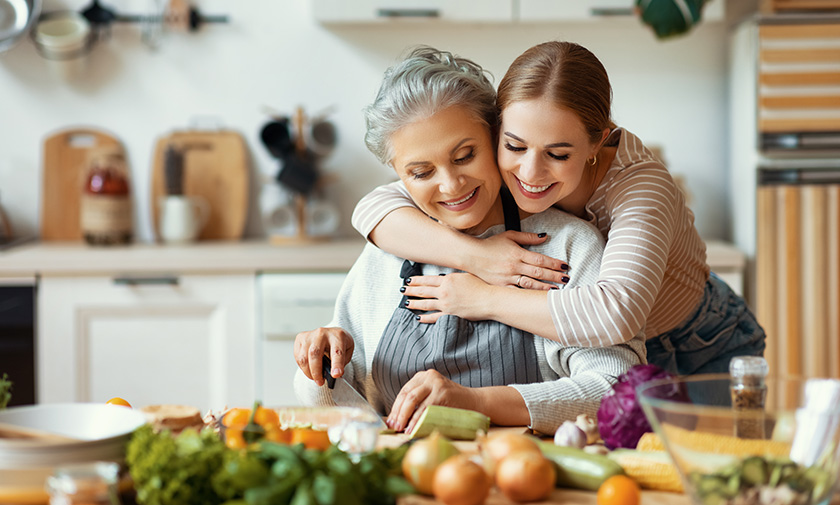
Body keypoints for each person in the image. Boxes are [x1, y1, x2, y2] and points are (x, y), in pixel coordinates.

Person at [350, 41, 765, 376]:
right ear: (497, 130)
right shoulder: (485, 167)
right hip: (602, 350)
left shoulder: (641, 187)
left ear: (597, 142)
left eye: (558, 154)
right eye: (513, 145)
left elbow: (614, 314)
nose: (529, 173)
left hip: (695, 343)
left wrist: (482, 298)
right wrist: (479, 257)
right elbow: (375, 207)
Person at [294, 46, 645, 436]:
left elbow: (616, 389)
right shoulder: (387, 248)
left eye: (464, 155)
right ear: (398, 175)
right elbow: (352, 411)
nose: (451, 185)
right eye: (421, 171)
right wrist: (322, 369)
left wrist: (475, 403)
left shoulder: (566, 246)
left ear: (495, 134)